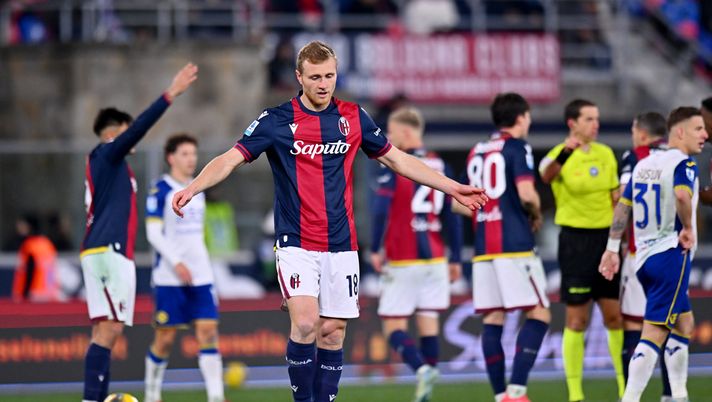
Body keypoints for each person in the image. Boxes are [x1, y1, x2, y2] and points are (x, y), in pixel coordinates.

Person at [171, 41, 487, 402]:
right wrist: (194, 187)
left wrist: (452, 188)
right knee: (305, 322)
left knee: (333, 332)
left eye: (330, 76)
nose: (323, 84)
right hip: (296, 242)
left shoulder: (353, 117)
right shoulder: (276, 121)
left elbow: (399, 160)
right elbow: (229, 158)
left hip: (341, 244)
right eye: (316, 77)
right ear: (299, 77)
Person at [79, 64, 197, 402]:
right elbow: (137, 131)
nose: (132, 139)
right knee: (109, 329)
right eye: (127, 132)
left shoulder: (107, 164)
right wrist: (170, 94)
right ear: (116, 131)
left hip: (105, 250)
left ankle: (96, 398)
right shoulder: (107, 152)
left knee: (106, 329)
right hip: (108, 251)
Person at [599, 106, 706, 402]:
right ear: (679, 132)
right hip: (671, 254)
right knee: (654, 335)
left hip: (644, 259)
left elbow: (623, 205)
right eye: (698, 129)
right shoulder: (683, 164)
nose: (705, 135)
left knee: (684, 324)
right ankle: (630, 399)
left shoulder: (646, 163)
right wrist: (687, 227)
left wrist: (611, 249)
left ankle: (677, 396)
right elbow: (683, 196)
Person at [459, 93, 550, 402]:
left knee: (492, 319)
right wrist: (535, 212)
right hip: (514, 246)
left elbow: (460, 205)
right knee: (539, 313)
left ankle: (500, 395)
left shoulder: (476, 151)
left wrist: (487, 212)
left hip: (483, 247)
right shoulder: (517, 147)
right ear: (521, 117)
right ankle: (517, 391)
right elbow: (526, 194)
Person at [368, 106, 463, 402]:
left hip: (403, 257)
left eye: (392, 134)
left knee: (393, 325)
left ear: (407, 133)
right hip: (435, 257)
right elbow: (453, 217)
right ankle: (429, 387)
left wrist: (374, 247)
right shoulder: (440, 166)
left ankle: (421, 369)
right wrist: (456, 256)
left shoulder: (397, 165)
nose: (389, 140)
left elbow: (381, 209)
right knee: (428, 322)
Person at [539, 99, 624, 402]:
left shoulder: (605, 154)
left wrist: (618, 242)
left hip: (606, 242)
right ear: (572, 123)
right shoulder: (559, 155)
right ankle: (576, 394)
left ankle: (625, 390)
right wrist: (566, 151)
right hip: (575, 242)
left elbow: (617, 200)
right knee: (577, 320)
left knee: (614, 317)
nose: (595, 124)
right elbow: (545, 176)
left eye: (597, 118)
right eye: (589, 118)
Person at [143, 134, 225, 402]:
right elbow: (153, 234)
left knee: (208, 333)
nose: (191, 159)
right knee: (165, 340)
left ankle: (215, 396)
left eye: (194, 153)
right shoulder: (160, 190)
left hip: (200, 275)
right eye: (185, 154)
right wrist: (176, 262)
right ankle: (152, 393)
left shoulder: (198, 188)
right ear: (171, 157)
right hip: (169, 277)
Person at [618, 112, 677, 401]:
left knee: (633, 326)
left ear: (641, 133)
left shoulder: (634, 156)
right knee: (671, 324)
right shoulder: (677, 158)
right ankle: (671, 394)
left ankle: (630, 395)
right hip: (674, 254)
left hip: (638, 252)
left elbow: (623, 197)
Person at [11, 214, 60, 302]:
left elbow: (30, 269)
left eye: (22, 225)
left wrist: (24, 293)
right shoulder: (47, 243)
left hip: (33, 293)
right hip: (49, 292)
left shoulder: (29, 245)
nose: (19, 227)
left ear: (29, 227)